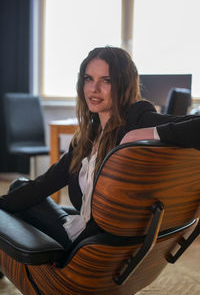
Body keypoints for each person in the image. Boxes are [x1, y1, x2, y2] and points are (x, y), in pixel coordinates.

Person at [0, 46, 200, 252]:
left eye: (107, 80)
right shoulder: (86, 138)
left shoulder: (137, 119)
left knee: (17, 193)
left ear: (123, 85)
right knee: (20, 188)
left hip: (95, 247)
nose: (94, 89)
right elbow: (45, 184)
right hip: (84, 232)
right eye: (88, 79)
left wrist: (149, 133)